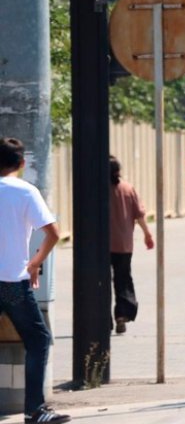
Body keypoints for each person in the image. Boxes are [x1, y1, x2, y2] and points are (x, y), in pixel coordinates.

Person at [0, 138, 70, 424]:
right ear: (22, 162)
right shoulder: (26, 191)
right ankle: (34, 410)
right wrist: (35, 263)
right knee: (38, 339)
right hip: (12, 283)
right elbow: (53, 233)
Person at [109, 156, 154, 335]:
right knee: (123, 279)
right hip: (123, 244)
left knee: (100, 282)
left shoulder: (97, 189)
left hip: (101, 246)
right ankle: (122, 315)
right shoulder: (128, 188)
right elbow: (139, 215)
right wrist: (147, 234)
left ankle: (103, 319)